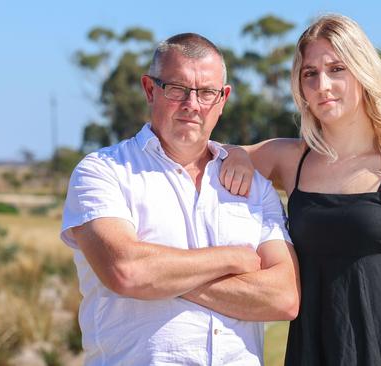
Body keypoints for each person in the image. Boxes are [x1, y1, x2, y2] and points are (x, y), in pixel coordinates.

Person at [221, 14, 381, 365]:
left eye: (337, 69)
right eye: (310, 74)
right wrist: (239, 155)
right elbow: (212, 154)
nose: (323, 85)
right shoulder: (290, 160)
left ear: (363, 73)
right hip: (316, 351)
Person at [60, 33, 300, 365]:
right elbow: (126, 271)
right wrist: (232, 259)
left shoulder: (254, 187)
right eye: (176, 89)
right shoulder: (103, 172)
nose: (192, 104)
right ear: (149, 89)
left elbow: (284, 297)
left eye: (206, 92)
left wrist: (159, 279)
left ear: (223, 99)